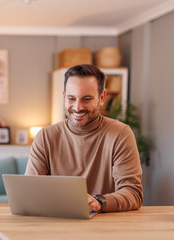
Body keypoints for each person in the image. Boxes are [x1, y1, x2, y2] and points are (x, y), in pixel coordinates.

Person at [25, 64, 143, 212]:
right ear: (64, 97)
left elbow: (133, 193)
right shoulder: (45, 137)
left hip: (105, 226)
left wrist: (100, 202)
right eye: (71, 98)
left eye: (86, 99)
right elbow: (29, 192)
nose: (78, 107)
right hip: (57, 224)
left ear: (102, 98)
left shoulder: (121, 134)